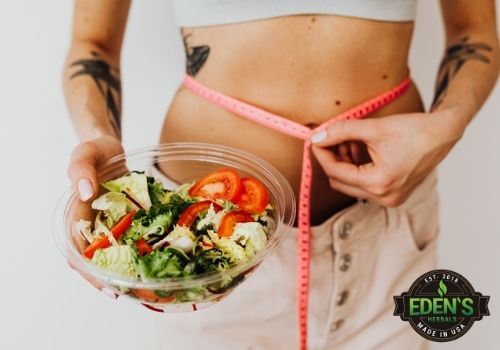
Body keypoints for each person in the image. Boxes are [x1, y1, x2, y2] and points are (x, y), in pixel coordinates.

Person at [64, 1, 499, 349]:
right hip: (202, 254)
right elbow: (93, 45)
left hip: (388, 238)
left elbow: (473, 33)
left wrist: (445, 126)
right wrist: (103, 147)